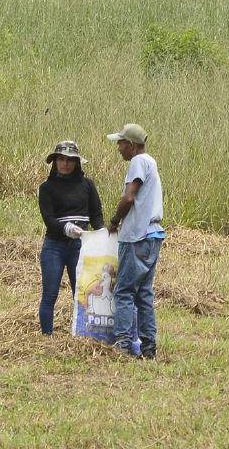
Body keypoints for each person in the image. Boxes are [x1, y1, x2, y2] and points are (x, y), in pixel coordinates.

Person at [106, 121, 164, 359]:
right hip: (154, 235)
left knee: (124, 291)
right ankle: (149, 346)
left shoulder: (138, 162)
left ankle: (123, 343)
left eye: (120, 143)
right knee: (144, 294)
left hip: (137, 236)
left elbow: (129, 198)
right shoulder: (151, 161)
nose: (118, 147)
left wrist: (114, 220)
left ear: (130, 145)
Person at [37, 140, 103, 334]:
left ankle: (82, 333)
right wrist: (67, 228)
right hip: (54, 246)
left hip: (80, 247)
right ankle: (46, 337)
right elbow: (49, 220)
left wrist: (102, 235)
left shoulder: (87, 185)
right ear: (55, 162)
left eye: (70, 160)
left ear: (77, 163)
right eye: (61, 159)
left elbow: (96, 216)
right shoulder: (46, 188)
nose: (65, 164)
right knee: (50, 294)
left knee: (82, 293)